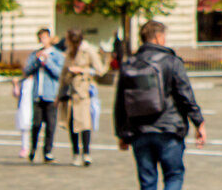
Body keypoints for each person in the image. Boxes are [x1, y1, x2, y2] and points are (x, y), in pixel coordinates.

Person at [116, 20, 207, 190]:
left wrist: (122, 133)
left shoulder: (129, 63)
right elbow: (185, 95)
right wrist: (199, 122)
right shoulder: (171, 61)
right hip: (168, 128)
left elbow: (121, 102)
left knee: (147, 182)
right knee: (173, 176)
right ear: (158, 37)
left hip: (139, 130)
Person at [57, 28, 105, 167]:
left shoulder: (88, 51)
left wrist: (82, 70)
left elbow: (100, 70)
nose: (65, 41)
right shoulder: (68, 52)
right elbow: (62, 74)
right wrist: (58, 95)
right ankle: (76, 153)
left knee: (84, 123)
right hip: (69, 93)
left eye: (67, 38)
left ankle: (86, 153)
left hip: (83, 93)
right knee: (71, 123)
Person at [23, 27, 64, 163]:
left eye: (45, 37)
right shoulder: (35, 54)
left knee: (50, 125)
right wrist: (37, 61)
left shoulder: (57, 55)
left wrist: (47, 61)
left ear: (50, 38)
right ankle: (33, 149)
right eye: (40, 38)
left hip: (51, 95)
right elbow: (27, 71)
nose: (43, 40)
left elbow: (59, 73)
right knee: (36, 124)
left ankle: (47, 151)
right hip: (37, 95)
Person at [11, 73, 34, 157]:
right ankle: (25, 147)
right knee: (24, 127)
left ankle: (34, 148)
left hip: (35, 105)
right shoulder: (22, 81)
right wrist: (15, 84)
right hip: (24, 106)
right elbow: (16, 94)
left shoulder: (36, 80)